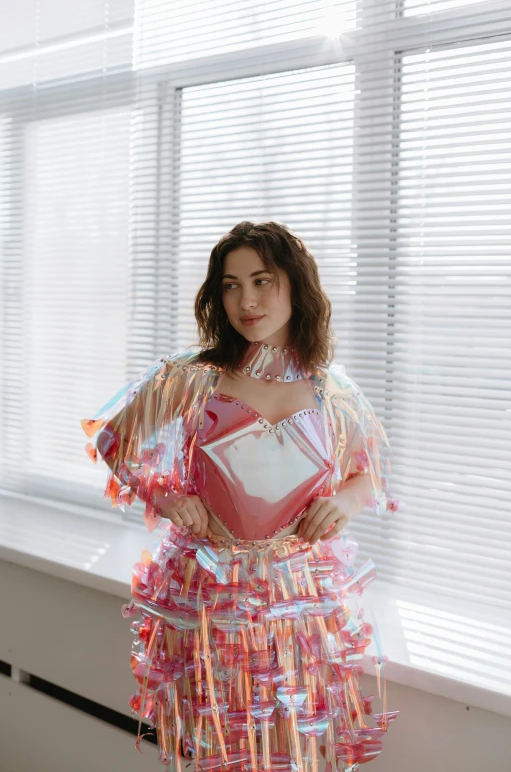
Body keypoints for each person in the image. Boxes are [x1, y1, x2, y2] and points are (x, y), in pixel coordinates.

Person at [81, 221, 400, 771]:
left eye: (261, 280)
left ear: (296, 287)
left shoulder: (332, 390)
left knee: (297, 747)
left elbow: (369, 473)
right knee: (218, 747)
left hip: (300, 597)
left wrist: (345, 502)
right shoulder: (190, 377)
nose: (246, 300)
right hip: (211, 592)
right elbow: (115, 442)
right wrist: (165, 496)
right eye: (230, 285)